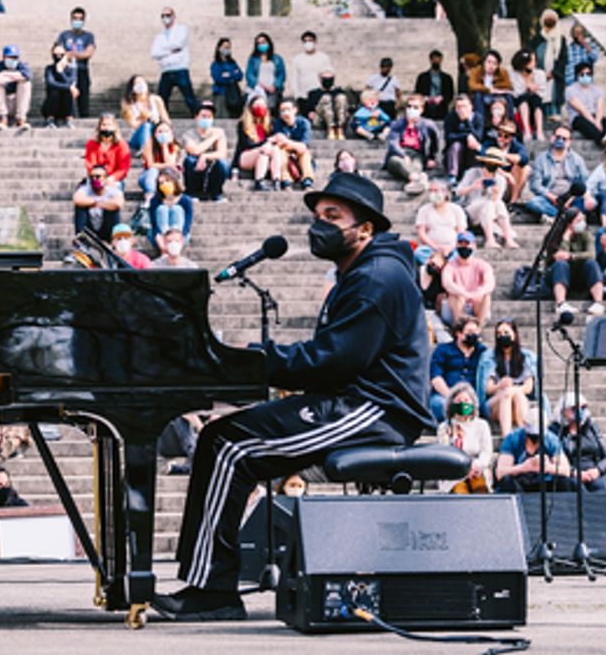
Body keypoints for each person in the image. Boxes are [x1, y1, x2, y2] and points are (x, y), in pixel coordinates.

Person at [154, 171, 432, 620]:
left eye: (332, 215)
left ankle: (213, 591)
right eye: (317, 215)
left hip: (373, 409)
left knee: (229, 445)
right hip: (352, 399)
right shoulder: (362, 272)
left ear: (366, 228)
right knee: (221, 438)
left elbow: (332, 360)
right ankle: (209, 583)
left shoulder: (378, 278)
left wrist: (257, 359)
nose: (319, 224)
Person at [479, 319, 537, 435]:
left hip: (518, 400)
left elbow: (528, 387)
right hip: (495, 403)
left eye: (506, 333)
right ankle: (508, 438)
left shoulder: (525, 357)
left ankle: (522, 436)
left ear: (514, 335)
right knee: (506, 394)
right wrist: (500, 385)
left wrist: (512, 389)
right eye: (499, 334)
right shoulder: (490, 357)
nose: (502, 336)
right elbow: (488, 388)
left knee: (516, 394)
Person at [525, 125, 591, 222]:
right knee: (534, 202)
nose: (560, 140)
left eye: (564, 139)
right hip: (550, 198)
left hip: (571, 198)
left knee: (588, 202)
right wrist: (552, 197)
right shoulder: (541, 159)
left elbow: (584, 183)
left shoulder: (577, 160)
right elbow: (535, 185)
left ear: (569, 142)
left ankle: (559, 216)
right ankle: (564, 216)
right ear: (552, 138)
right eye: (558, 137)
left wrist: (571, 198)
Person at [551, 393, 606, 492]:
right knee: (576, 487)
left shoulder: (592, 428)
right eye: (574, 408)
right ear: (563, 411)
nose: (580, 412)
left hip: (592, 471)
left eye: (583, 407)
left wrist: (598, 470)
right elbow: (554, 459)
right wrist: (574, 472)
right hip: (570, 473)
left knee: (601, 486)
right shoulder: (556, 431)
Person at [435, 382, 493, 493]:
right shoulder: (444, 427)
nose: (463, 404)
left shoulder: (482, 425)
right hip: (453, 474)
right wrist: (464, 469)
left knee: (480, 488)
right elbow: (445, 454)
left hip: (477, 471)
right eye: (459, 401)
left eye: (466, 400)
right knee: (460, 491)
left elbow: (486, 453)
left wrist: (475, 466)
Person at [457, 147, 519, 248]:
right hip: (471, 208)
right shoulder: (472, 173)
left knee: (497, 204)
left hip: (490, 212)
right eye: (488, 164)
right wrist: (472, 187)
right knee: (488, 204)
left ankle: (508, 239)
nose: (490, 168)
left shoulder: (500, 179)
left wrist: (495, 193)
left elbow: (496, 203)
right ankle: (490, 240)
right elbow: (458, 192)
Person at [428, 318, 486, 423]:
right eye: (469, 332)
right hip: (445, 395)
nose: (473, 335)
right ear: (458, 333)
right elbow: (436, 377)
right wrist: (451, 397)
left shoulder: (482, 352)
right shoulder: (443, 350)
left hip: (473, 398)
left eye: (475, 332)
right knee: (439, 405)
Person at [551, 209, 606, 317]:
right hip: (559, 274)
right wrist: (566, 238)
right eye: (578, 220)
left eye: (582, 220)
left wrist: (572, 256)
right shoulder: (555, 237)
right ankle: (560, 303)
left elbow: (591, 254)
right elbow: (559, 256)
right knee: (561, 264)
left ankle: (599, 302)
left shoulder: (586, 234)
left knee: (591, 263)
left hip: (580, 274)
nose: (582, 223)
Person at [494, 422, 573, 493]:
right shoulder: (513, 438)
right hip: (520, 483)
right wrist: (524, 467)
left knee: (564, 481)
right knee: (506, 480)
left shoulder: (551, 440)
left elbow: (566, 470)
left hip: (544, 484)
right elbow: (500, 472)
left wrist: (547, 467)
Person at [383, 94, 439, 194]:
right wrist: (403, 155)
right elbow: (392, 142)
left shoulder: (427, 124)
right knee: (396, 162)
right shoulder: (397, 124)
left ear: (421, 109)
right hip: (398, 153)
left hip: (417, 153)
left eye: (415, 107)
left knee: (417, 165)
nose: (411, 109)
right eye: (409, 106)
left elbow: (435, 141)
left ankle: (414, 182)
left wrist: (432, 157)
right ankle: (418, 180)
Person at [441, 232, 496, 322]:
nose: (463, 246)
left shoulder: (482, 264)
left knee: (486, 296)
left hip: (476, 303)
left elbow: (490, 282)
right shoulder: (450, 266)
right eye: (460, 243)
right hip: (456, 304)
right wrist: (463, 293)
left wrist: (479, 292)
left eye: (467, 243)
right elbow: (447, 283)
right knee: (456, 296)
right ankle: (459, 326)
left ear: (474, 246)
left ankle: (478, 327)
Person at [152, 6, 197, 116]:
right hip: (166, 69)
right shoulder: (160, 36)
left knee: (189, 97)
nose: (165, 18)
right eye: (163, 16)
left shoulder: (181, 29)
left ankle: (196, 116)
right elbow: (154, 53)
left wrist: (162, 50)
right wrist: (170, 51)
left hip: (180, 68)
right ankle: (163, 119)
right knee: (162, 97)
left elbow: (179, 44)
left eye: (168, 15)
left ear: (173, 16)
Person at [183, 101, 230, 202]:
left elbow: (222, 153)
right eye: (203, 116)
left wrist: (204, 156)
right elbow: (194, 150)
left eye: (209, 117)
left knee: (223, 164)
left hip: (212, 169)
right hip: (196, 170)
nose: (206, 119)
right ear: (196, 117)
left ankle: (216, 193)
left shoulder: (218, 132)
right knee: (190, 160)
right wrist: (213, 138)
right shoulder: (189, 134)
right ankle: (192, 193)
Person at [235, 96, 284, 191]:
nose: (260, 107)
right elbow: (247, 144)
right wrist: (267, 142)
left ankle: (276, 181)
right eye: (257, 104)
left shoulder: (270, 123)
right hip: (247, 155)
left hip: (265, 154)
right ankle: (259, 181)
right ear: (250, 107)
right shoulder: (243, 124)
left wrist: (269, 142)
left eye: (262, 104)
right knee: (264, 150)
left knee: (274, 150)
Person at [56, 6, 97, 118]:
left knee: (83, 97)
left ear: (83, 21)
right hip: (67, 71)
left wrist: (70, 54)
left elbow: (88, 53)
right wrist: (70, 55)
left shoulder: (88, 36)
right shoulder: (64, 35)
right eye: (75, 18)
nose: (77, 21)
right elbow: (58, 50)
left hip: (82, 70)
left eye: (80, 19)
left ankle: (84, 117)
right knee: (66, 96)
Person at [271, 98, 316, 190]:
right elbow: (279, 143)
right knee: (281, 152)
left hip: (299, 153)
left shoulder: (304, 123)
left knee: (305, 153)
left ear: (295, 110)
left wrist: (287, 142)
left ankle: (307, 181)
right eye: (282, 110)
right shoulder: (278, 123)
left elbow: (303, 147)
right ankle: (286, 181)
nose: (285, 113)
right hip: (285, 152)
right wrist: (292, 145)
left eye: (288, 109)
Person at [415, 180, 468, 257]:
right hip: (430, 248)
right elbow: (421, 232)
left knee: (460, 255)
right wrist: (435, 247)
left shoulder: (456, 209)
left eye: (436, 190)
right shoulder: (424, 210)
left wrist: (451, 247)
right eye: (431, 191)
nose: (433, 193)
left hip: (452, 247)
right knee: (418, 253)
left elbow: (461, 232)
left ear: (445, 192)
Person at [73, 163, 124, 241]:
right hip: (89, 227)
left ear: (105, 178)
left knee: (113, 209)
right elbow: (77, 200)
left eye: (97, 176)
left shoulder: (113, 191)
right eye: (91, 177)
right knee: (80, 208)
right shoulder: (85, 189)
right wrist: (99, 202)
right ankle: (81, 240)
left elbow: (118, 203)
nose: (94, 179)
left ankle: (114, 241)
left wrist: (95, 203)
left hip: (106, 227)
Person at [0, 44, 32, 131]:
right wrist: (16, 76)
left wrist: (4, 75)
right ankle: (3, 118)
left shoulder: (22, 65)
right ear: (4, 57)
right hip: (1, 103)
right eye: (10, 57)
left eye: (15, 57)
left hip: (17, 103)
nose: (13, 60)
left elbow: (27, 76)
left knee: (26, 84)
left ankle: (21, 119)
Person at [564, 61, 606, 145]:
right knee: (585, 124)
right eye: (582, 74)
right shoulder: (570, 90)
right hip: (578, 118)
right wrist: (595, 123)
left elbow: (600, 107)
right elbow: (581, 110)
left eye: (588, 74)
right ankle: (603, 140)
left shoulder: (597, 90)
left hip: (594, 116)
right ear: (577, 75)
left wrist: (598, 121)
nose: (585, 76)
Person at [288, 30, 334, 113]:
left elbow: (328, 75)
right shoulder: (297, 59)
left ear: (315, 42)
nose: (307, 43)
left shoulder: (323, 58)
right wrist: (297, 95)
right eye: (305, 41)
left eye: (310, 41)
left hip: (320, 95)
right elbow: (294, 79)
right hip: (303, 96)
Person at [139, 122, 187, 201]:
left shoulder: (175, 146)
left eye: (166, 131)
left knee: (169, 171)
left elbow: (170, 163)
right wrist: (166, 165)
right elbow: (150, 165)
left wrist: (164, 146)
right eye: (160, 131)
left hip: (166, 175)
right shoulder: (149, 143)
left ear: (171, 134)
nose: (163, 134)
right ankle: (150, 195)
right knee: (153, 171)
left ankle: (171, 194)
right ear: (155, 134)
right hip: (148, 176)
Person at [122, 74, 168, 154]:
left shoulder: (156, 100)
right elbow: (134, 125)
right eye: (137, 83)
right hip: (137, 137)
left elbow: (166, 120)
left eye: (142, 82)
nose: (141, 85)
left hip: (156, 133)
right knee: (146, 126)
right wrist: (144, 119)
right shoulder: (128, 104)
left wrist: (159, 123)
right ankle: (145, 150)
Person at [149, 166, 196, 243]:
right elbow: (154, 224)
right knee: (162, 209)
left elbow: (187, 224)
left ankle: (174, 242)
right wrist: (160, 239)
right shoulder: (155, 201)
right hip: (160, 237)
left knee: (177, 209)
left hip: (180, 236)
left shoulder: (186, 200)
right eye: (161, 183)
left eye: (167, 181)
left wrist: (180, 237)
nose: (164, 184)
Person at [442, 92, 483, 180]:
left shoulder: (477, 117)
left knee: (474, 145)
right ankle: (452, 177)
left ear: (471, 106)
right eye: (458, 107)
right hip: (454, 154)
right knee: (456, 145)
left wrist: (468, 121)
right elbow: (448, 137)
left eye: (464, 106)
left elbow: (479, 136)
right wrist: (466, 136)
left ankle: (472, 174)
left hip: (471, 152)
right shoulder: (451, 117)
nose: (461, 110)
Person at [488, 120, 530, 204]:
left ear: (511, 138)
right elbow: (484, 161)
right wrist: (504, 173)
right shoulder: (490, 144)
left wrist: (504, 155)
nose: (501, 138)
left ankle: (513, 201)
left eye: (506, 136)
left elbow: (524, 159)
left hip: (511, 184)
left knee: (525, 168)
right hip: (495, 181)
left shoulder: (516, 146)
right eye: (499, 135)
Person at [509, 50, 546, 141]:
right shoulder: (514, 74)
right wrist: (527, 87)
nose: (534, 63)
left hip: (536, 101)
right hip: (520, 102)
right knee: (523, 101)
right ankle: (527, 130)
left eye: (534, 60)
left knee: (537, 102)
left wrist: (533, 89)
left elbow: (543, 92)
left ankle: (539, 131)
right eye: (531, 61)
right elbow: (516, 93)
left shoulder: (540, 74)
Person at [85, 113, 133, 182]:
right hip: (95, 179)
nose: (107, 127)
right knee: (79, 193)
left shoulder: (122, 144)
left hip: (115, 180)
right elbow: (90, 164)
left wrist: (112, 178)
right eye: (104, 125)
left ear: (114, 127)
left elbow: (124, 167)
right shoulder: (91, 144)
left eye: (110, 125)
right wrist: (98, 177)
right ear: (99, 126)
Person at [467, 49, 514, 119]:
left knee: (508, 96)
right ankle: (480, 122)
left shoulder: (503, 72)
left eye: (495, 63)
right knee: (477, 95)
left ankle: (510, 122)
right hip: (482, 95)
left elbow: (508, 85)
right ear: (484, 62)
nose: (491, 66)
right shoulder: (476, 71)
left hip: (497, 96)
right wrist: (488, 89)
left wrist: (496, 90)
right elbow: (472, 85)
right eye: (489, 62)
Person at [245, 32, 286, 110]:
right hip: (258, 90)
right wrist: (261, 86)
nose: (261, 45)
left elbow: (281, 74)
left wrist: (275, 86)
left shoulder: (277, 59)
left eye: (263, 42)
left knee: (271, 108)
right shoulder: (253, 59)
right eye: (259, 43)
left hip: (272, 90)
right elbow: (249, 75)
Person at [306, 68, 349, 140]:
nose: (327, 81)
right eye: (325, 79)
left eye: (330, 79)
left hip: (338, 118)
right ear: (320, 79)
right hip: (320, 120)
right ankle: (331, 129)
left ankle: (339, 128)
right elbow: (310, 112)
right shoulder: (313, 93)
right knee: (326, 98)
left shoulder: (339, 92)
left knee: (341, 98)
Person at [42, 43, 79, 127]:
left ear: (65, 54)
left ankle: (69, 119)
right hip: (52, 105)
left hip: (67, 106)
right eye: (56, 54)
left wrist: (61, 72)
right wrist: (69, 87)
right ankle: (50, 119)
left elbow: (70, 82)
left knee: (67, 92)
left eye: (61, 54)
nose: (58, 57)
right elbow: (50, 83)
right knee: (55, 91)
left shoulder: (71, 69)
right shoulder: (49, 69)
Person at [536, 10, 566, 111]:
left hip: (555, 77)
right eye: (547, 19)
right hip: (540, 76)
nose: (549, 21)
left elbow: (563, 59)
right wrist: (541, 73)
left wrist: (553, 73)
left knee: (554, 102)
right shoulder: (537, 39)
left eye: (552, 19)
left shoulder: (561, 39)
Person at [414, 49, 455, 121]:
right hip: (426, 108)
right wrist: (426, 98)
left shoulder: (447, 78)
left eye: (438, 59)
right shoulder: (422, 77)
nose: (436, 61)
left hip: (441, 109)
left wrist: (441, 98)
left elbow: (450, 93)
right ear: (430, 60)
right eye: (434, 59)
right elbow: (418, 92)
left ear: (441, 60)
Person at [209, 37, 244, 119]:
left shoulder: (232, 63)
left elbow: (240, 75)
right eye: (224, 47)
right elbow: (218, 78)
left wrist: (228, 75)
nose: (226, 49)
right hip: (221, 93)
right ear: (219, 48)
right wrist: (232, 76)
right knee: (222, 116)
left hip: (233, 94)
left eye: (228, 47)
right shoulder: (216, 64)